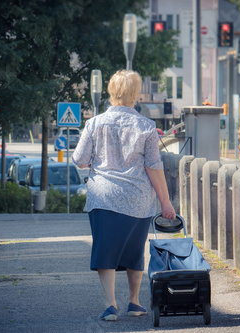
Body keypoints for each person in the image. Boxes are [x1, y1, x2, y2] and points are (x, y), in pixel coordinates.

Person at [72, 70, 176, 322]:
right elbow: (154, 166)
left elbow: (79, 159)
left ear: (111, 92)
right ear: (135, 94)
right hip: (137, 200)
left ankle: (110, 305)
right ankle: (134, 302)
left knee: (105, 251)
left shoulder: (94, 123)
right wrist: (165, 202)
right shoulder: (147, 127)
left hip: (103, 198)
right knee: (134, 251)